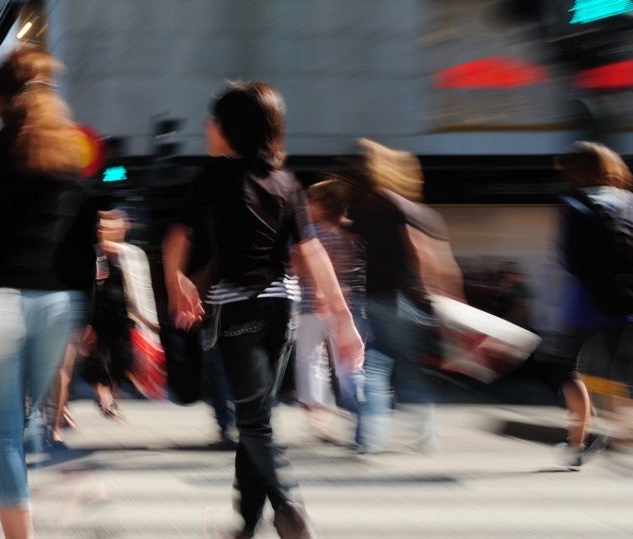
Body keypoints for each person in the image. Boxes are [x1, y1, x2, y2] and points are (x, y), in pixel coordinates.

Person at [163, 82, 362, 539]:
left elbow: (178, 235)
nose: (206, 126)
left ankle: (287, 502)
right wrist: (343, 318)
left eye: (214, 120)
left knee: (252, 421)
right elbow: (311, 253)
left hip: (239, 312)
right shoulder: (287, 182)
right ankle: (246, 524)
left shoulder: (212, 175)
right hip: (282, 312)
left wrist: (175, 280)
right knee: (258, 419)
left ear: (232, 128)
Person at [0, 45, 101, 538]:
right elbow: (82, 242)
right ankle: (52, 478)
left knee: (3, 431)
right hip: (55, 305)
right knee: (28, 420)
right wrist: (84, 312)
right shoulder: (69, 155)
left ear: (1, 99)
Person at [555, 141, 633, 469]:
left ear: (576, 172)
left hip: (586, 303)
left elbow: (570, 260)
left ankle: (577, 438)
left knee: (567, 369)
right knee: (626, 373)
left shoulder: (575, 203)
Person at [346, 139, 461, 456]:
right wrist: (446, 294)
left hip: (376, 298)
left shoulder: (371, 207)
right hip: (407, 300)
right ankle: (426, 436)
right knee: (410, 370)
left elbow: (354, 248)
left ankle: (369, 437)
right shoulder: (408, 209)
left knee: (372, 368)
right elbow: (429, 256)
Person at [292, 179, 367, 446]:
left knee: (310, 360)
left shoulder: (308, 231)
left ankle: (319, 414)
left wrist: (318, 289)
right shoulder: (350, 232)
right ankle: (361, 406)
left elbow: (298, 264)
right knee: (348, 360)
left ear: (321, 205)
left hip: (311, 304)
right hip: (346, 306)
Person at [80, 209, 159, 420]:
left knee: (120, 361)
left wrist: (150, 319)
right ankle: (105, 398)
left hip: (124, 317)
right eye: (102, 226)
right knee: (97, 361)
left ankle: (109, 394)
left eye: (111, 226)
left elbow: (144, 288)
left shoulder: (133, 254)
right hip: (96, 317)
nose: (106, 230)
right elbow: (83, 287)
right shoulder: (92, 253)